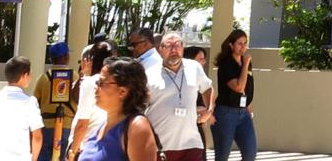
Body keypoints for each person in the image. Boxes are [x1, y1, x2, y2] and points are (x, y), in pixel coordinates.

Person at [145, 32, 212, 161]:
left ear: (183, 47)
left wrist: (209, 110)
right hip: (160, 145)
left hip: (191, 144)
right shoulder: (149, 73)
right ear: (161, 49)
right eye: (169, 45)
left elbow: (207, 88)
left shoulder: (195, 68)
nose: (174, 49)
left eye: (177, 45)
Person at [75, 59, 157, 161]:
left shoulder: (137, 127)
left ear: (122, 91)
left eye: (101, 83)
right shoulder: (102, 125)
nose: (96, 88)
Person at [211, 28, 256, 161]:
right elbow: (238, 86)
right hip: (226, 113)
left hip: (243, 113)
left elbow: (247, 86)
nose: (243, 47)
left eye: (245, 43)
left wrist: (248, 103)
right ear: (231, 45)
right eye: (239, 43)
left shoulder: (245, 62)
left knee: (250, 154)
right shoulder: (226, 63)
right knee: (222, 156)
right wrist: (246, 64)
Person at [0, 59, 42, 161]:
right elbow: (37, 137)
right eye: (30, 74)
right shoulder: (30, 102)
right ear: (24, 76)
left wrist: (1, 148)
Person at [69, 43, 114, 157]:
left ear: (89, 60)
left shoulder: (90, 83)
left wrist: (72, 151)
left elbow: (83, 123)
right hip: (105, 143)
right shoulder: (114, 82)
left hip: (86, 144)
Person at [34, 43, 76, 161]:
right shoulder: (75, 76)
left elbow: (35, 102)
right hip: (66, 124)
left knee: (44, 156)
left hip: (46, 126)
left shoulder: (43, 78)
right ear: (65, 57)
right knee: (61, 157)